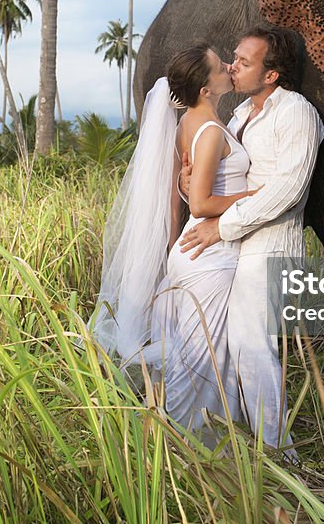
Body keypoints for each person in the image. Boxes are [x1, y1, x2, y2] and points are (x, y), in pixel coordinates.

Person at [90, 43, 256, 442]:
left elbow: (189, 189)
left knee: (194, 353)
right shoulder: (213, 132)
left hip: (191, 251)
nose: (229, 68)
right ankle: (174, 440)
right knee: (203, 362)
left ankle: (184, 435)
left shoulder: (187, 126)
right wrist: (255, 196)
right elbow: (201, 202)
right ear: (206, 89)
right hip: (208, 257)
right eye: (221, 67)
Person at [179, 23, 324, 457]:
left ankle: (282, 456)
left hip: (271, 246)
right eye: (234, 58)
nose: (232, 66)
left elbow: (288, 190)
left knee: (250, 344)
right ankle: (238, 444)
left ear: (272, 74)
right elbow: (217, 179)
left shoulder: (295, 112)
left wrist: (221, 226)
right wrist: (191, 190)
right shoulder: (240, 115)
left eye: (244, 61)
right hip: (238, 246)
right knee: (222, 345)